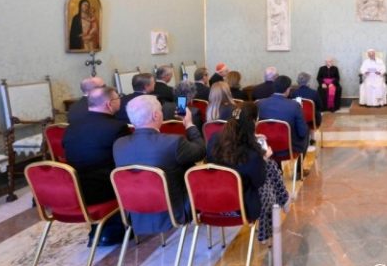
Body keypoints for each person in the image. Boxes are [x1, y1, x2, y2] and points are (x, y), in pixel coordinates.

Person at [113, 95, 206, 235]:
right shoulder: (173, 142)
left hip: (136, 213)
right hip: (175, 211)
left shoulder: (118, 145)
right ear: (156, 115)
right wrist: (189, 124)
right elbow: (201, 152)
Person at [208, 102, 290, 242]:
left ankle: (284, 199)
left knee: (268, 166)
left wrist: (252, 139)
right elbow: (259, 181)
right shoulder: (252, 155)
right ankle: (283, 201)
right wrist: (263, 159)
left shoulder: (214, 139)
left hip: (212, 203)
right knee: (269, 167)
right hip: (241, 207)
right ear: (252, 123)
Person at [63, 86, 129, 245]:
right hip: (106, 188)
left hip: (75, 188)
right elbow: (126, 159)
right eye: (118, 98)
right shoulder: (117, 127)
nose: (120, 101)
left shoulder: (72, 127)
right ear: (109, 104)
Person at [256, 75, 310, 165]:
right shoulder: (294, 105)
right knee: (305, 132)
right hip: (288, 149)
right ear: (288, 89)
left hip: (266, 146)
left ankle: (277, 167)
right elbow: (302, 132)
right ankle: (299, 169)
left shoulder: (259, 103)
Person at [291, 72, 323, 145]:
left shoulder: (293, 93)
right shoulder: (314, 93)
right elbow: (320, 106)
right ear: (308, 82)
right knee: (315, 113)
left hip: (297, 118)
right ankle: (312, 138)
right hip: (312, 119)